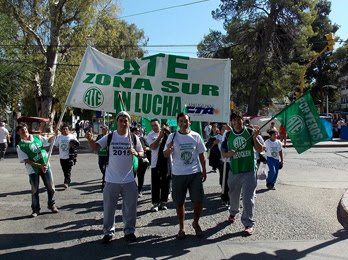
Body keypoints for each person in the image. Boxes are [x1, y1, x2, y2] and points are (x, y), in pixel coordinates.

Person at [85, 111, 143, 243]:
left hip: (129, 180)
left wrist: (137, 153)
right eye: (121, 120)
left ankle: (129, 231)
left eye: (126, 121)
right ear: (117, 122)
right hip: (111, 180)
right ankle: (108, 232)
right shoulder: (110, 137)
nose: (123, 123)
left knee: (130, 208)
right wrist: (89, 140)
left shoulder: (133, 138)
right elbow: (95, 147)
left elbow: (142, 152)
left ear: (129, 123)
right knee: (109, 208)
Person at [164, 112, 207, 239]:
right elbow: (165, 155)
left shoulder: (196, 136)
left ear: (190, 122)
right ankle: (181, 227)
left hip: (194, 173)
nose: (184, 123)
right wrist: (169, 149)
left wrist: (204, 170)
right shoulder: (172, 137)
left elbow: (202, 155)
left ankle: (196, 223)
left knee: (198, 200)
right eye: (181, 121)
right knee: (179, 202)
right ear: (178, 123)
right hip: (178, 174)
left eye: (186, 121)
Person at [221, 113, 265, 236]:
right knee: (233, 196)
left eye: (239, 119)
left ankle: (248, 223)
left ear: (242, 120)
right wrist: (228, 154)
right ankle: (233, 212)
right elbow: (223, 152)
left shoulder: (251, 132)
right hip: (234, 170)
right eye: (234, 120)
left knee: (248, 198)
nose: (237, 122)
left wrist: (255, 138)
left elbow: (261, 149)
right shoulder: (228, 135)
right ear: (232, 123)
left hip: (249, 170)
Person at [16, 123, 58, 217]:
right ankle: (35, 209)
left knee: (51, 187)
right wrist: (40, 166)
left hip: (46, 166)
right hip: (33, 170)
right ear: (18, 133)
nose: (25, 132)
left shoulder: (37, 137)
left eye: (25, 130)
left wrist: (55, 135)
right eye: (22, 130)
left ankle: (51, 204)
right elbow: (26, 160)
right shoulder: (20, 146)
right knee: (35, 190)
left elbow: (48, 141)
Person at [147, 119, 171, 211]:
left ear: (159, 125)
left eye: (156, 125)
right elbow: (152, 147)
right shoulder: (150, 135)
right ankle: (155, 203)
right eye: (152, 125)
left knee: (165, 181)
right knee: (155, 183)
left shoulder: (166, 133)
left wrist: (167, 133)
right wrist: (160, 137)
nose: (154, 127)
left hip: (165, 161)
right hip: (155, 162)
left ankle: (163, 201)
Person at [131, 127, 150, 197]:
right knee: (132, 176)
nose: (137, 132)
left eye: (138, 131)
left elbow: (149, 147)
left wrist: (146, 148)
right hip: (132, 160)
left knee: (141, 176)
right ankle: (132, 189)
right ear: (132, 132)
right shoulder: (130, 139)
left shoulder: (142, 139)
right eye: (136, 131)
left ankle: (139, 190)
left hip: (142, 160)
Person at [96, 125, 109, 191]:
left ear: (107, 130)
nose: (103, 130)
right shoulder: (99, 136)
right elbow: (96, 143)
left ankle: (104, 182)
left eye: (104, 129)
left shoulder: (109, 136)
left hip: (106, 155)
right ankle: (105, 176)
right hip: (100, 154)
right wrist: (95, 150)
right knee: (101, 167)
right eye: (102, 129)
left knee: (105, 168)